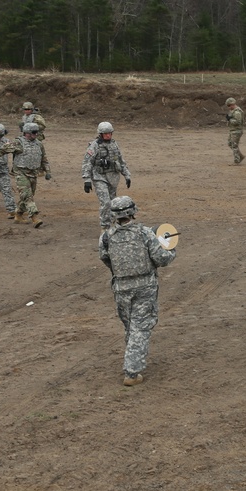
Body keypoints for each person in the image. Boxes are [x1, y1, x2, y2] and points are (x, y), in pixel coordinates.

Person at [98, 196, 177, 387]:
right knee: (140, 327)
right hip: (144, 287)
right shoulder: (145, 233)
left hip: (121, 288)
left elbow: (105, 258)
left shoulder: (106, 237)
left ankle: (133, 356)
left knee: (130, 326)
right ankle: (132, 372)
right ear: (132, 212)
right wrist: (172, 251)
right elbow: (161, 259)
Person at [0, 121, 51, 228]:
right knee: (28, 196)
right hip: (21, 174)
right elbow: (4, 149)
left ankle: (18, 215)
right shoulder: (19, 143)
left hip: (33, 174)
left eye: (37, 132)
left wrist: (47, 171)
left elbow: (44, 159)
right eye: (34, 132)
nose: (36, 135)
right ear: (27, 132)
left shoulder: (39, 144)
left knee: (26, 197)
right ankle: (34, 217)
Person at [82, 122, 133, 229]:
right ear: (100, 134)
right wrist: (87, 179)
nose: (108, 135)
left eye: (110, 133)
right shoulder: (94, 146)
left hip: (113, 177)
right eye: (105, 134)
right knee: (105, 203)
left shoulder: (114, 145)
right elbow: (87, 162)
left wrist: (127, 175)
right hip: (99, 177)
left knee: (113, 202)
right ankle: (105, 227)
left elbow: (121, 161)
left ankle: (114, 224)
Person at [225, 97, 245, 165]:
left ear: (232, 104)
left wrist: (230, 119)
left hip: (236, 131)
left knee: (234, 145)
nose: (228, 107)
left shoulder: (237, 112)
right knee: (230, 143)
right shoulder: (233, 111)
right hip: (233, 130)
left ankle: (237, 161)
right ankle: (240, 156)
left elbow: (238, 122)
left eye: (229, 105)